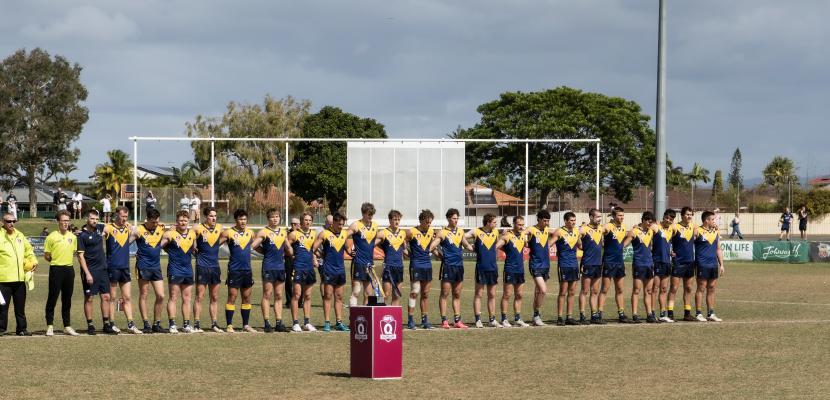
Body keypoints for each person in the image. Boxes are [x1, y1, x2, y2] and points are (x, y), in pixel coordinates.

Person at [431, 208, 473, 329]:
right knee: (445, 293)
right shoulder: (442, 232)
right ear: (449, 218)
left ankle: (457, 321)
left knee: (457, 294)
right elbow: (432, 247)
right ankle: (444, 321)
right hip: (448, 266)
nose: (456, 220)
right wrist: (440, 256)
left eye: (457, 218)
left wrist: (478, 249)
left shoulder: (460, 231)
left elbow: (466, 245)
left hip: (459, 266)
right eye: (454, 218)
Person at [252, 208, 291, 333]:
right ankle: (267, 322)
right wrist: (264, 251)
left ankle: (279, 322)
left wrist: (290, 251)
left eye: (277, 216)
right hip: (268, 266)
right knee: (267, 294)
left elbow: (287, 247)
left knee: (279, 295)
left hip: (280, 267)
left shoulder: (283, 232)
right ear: (268, 219)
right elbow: (253, 245)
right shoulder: (264, 232)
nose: (275, 219)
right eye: (273, 217)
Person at [77, 210, 115, 335]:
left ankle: (106, 324)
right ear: (87, 218)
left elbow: (111, 226)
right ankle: (90, 325)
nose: (95, 221)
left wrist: (128, 225)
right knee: (89, 298)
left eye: (96, 219)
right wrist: (87, 273)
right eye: (92, 218)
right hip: (90, 271)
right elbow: (81, 257)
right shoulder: (81, 235)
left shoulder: (100, 228)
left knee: (106, 297)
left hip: (103, 269)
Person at [104, 206, 141, 334]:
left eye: (126, 216)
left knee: (127, 297)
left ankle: (131, 324)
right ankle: (112, 323)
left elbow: (134, 236)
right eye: (122, 216)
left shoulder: (127, 228)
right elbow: (99, 236)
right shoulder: (108, 227)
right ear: (116, 215)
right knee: (112, 297)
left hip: (125, 267)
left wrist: (133, 229)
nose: (124, 219)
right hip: (112, 267)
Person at [130, 208, 167, 334]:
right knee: (144, 294)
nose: (155, 225)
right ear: (147, 220)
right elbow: (126, 244)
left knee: (161, 295)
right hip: (143, 266)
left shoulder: (161, 228)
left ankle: (156, 323)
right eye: (152, 222)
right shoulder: (138, 230)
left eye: (157, 222)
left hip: (156, 267)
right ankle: (146, 323)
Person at [0, 212, 37, 336]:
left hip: (20, 278)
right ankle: (1, 329)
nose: (11, 224)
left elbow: (29, 250)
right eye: (8, 221)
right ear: (2, 222)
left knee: (20, 307)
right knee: (2, 307)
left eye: (13, 221)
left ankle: (21, 329)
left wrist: (33, 262)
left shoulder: (20, 235)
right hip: (3, 279)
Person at [43, 210, 80, 336]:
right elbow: (47, 256)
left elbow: (74, 252)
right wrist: (56, 261)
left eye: (67, 220)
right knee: (52, 298)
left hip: (69, 270)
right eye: (63, 220)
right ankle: (50, 326)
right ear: (58, 221)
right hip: (56, 269)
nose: (65, 223)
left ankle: (67, 326)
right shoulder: (51, 237)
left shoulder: (73, 237)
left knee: (67, 299)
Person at [220, 209, 257, 333]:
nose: (243, 221)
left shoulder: (251, 233)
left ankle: (245, 325)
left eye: (245, 219)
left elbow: (259, 246)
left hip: (247, 270)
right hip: (234, 270)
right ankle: (229, 325)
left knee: (246, 297)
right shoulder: (228, 233)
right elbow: (214, 245)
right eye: (240, 219)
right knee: (232, 296)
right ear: (236, 220)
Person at [312, 212, 350, 332]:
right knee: (327, 296)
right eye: (339, 224)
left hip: (340, 270)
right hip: (328, 269)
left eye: (342, 224)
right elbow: (313, 248)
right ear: (333, 223)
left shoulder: (344, 233)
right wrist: (318, 256)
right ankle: (327, 322)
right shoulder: (325, 234)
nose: (341, 226)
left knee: (339, 297)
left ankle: (339, 322)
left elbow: (347, 248)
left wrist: (351, 252)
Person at [160, 210, 197, 333]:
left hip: (188, 270)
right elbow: (159, 246)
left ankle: (186, 324)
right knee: (173, 297)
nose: (183, 222)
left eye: (185, 220)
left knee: (187, 298)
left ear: (188, 221)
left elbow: (194, 249)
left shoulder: (192, 234)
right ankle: (172, 324)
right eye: (181, 220)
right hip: (174, 269)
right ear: (177, 221)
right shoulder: (170, 234)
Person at [465, 213, 501, 328]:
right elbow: (461, 236)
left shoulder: (495, 232)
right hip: (481, 268)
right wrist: (469, 247)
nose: (496, 224)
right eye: (494, 222)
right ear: (488, 222)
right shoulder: (476, 232)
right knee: (479, 294)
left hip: (493, 268)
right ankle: (478, 320)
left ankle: (492, 320)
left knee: (492, 294)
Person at [495, 216, 530, 327]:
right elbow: (496, 246)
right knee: (507, 295)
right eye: (519, 224)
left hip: (520, 269)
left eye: (522, 225)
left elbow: (526, 245)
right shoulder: (507, 236)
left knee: (519, 295)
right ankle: (504, 319)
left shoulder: (523, 235)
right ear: (514, 224)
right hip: (510, 269)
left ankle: (517, 318)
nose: (521, 227)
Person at [623, 211, 658, 324]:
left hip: (649, 264)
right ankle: (635, 314)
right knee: (636, 290)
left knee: (648, 290)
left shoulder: (651, 231)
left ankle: (649, 314)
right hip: (638, 264)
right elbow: (624, 244)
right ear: (643, 220)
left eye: (651, 222)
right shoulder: (635, 232)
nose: (649, 223)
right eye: (648, 221)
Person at [286, 212, 318, 332]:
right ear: (301, 221)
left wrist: (315, 258)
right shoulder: (294, 234)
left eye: (310, 220)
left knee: (308, 296)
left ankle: (307, 322)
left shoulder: (313, 234)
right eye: (305, 220)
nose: (308, 222)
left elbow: (313, 250)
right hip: (298, 267)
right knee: (297, 295)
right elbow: (285, 247)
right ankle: (295, 322)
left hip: (309, 268)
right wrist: (292, 255)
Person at [405, 209, 436, 330]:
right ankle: (411, 320)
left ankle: (424, 320)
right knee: (415, 291)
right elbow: (401, 242)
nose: (429, 225)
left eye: (430, 223)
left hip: (427, 265)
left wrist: (441, 256)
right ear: (421, 221)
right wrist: (407, 253)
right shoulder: (411, 232)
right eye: (427, 222)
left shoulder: (431, 232)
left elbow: (432, 248)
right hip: (416, 265)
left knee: (425, 294)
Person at [597, 207, 629, 323]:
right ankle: (599, 314)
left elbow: (627, 237)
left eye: (623, 215)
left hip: (619, 262)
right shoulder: (608, 226)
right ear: (614, 216)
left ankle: (621, 314)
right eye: (619, 215)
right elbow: (600, 230)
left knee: (620, 289)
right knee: (605, 289)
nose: (622, 218)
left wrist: (622, 246)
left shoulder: (624, 227)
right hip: (609, 262)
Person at [551, 211, 582, 326]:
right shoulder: (559, 232)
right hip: (563, 265)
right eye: (571, 220)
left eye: (574, 220)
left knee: (572, 292)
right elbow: (549, 244)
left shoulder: (576, 232)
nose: (573, 222)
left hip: (574, 265)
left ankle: (569, 316)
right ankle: (560, 317)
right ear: (566, 221)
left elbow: (580, 245)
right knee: (563, 292)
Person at [694, 211, 724, 322]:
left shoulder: (716, 231)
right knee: (701, 288)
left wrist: (721, 264)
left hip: (713, 264)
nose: (714, 221)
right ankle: (698, 313)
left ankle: (711, 313)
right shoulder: (697, 230)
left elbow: (718, 249)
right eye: (712, 219)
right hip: (702, 264)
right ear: (706, 220)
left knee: (711, 288)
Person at [669, 206, 698, 322]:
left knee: (689, 288)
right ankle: (670, 313)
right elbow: (665, 238)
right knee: (674, 288)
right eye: (687, 214)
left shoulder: (694, 226)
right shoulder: (675, 227)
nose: (689, 216)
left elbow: (704, 230)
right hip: (678, 262)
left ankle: (687, 314)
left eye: (691, 214)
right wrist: (669, 251)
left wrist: (715, 226)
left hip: (690, 262)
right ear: (682, 215)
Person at [346, 202, 378, 307]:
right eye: (369, 214)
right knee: (356, 291)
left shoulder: (375, 226)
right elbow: (342, 237)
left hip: (370, 264)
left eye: (372, 214)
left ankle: (366, 319)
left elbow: (376, 241)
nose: (371, 216)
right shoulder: (355, 225)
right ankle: (353, 318)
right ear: (363, 213)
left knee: (369, 294)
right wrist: (349, 250)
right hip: (358, 262)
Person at [527, 209, 553, 326]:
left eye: (548, 220)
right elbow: (521, 234)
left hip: (546, 265)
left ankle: (535, 316)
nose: (546, 223)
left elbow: (559, 233)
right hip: (535, 264)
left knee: (538, 292)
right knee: (543, 290)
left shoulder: (547, 230)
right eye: (545, 220)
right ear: (539, 219)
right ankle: (537, 315)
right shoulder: (532, 229)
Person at [375, 210, 407, 307]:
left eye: (398, 219)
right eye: (394, 219)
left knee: (396, 295)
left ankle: (393, 319)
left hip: (399, 267)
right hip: (388, 267)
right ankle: (377, 311)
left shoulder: (403, 233)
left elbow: (404, 248)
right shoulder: (383, 233)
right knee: (385, 295)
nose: (397, 221)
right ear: (390, 220)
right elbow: (370, 244)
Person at [579, 209, 604, 324]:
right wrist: (580, 245)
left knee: (595, 291)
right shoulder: (584, 229)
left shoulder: (600, 228)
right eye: (597, 217)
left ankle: (594, 315)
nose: (599, 219)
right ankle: (582, 315)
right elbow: (576, 236)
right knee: (585, 290)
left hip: (598, 264)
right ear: (591, 217)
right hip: (587, 263)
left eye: (600, 217)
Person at [652, 209, 676, 322]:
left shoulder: (672, 229)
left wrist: (671, 251)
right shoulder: (656, 226)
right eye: (667, 218)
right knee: (655, 289)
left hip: (667, 262)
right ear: (663, 217)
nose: (668, 220)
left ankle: (662, 314)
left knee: (664, 289)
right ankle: (651, 313)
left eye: (671, 219)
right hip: (656, 261)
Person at [284, 217, 301, 308]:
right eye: (292, 223)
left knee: (300, 280)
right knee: (289, 280)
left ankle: (299, 301)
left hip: (299, 260)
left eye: (295, 224)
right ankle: (289, 301)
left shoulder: (302, 233)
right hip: (289, 259)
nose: (293, 225)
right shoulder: (287, 233)